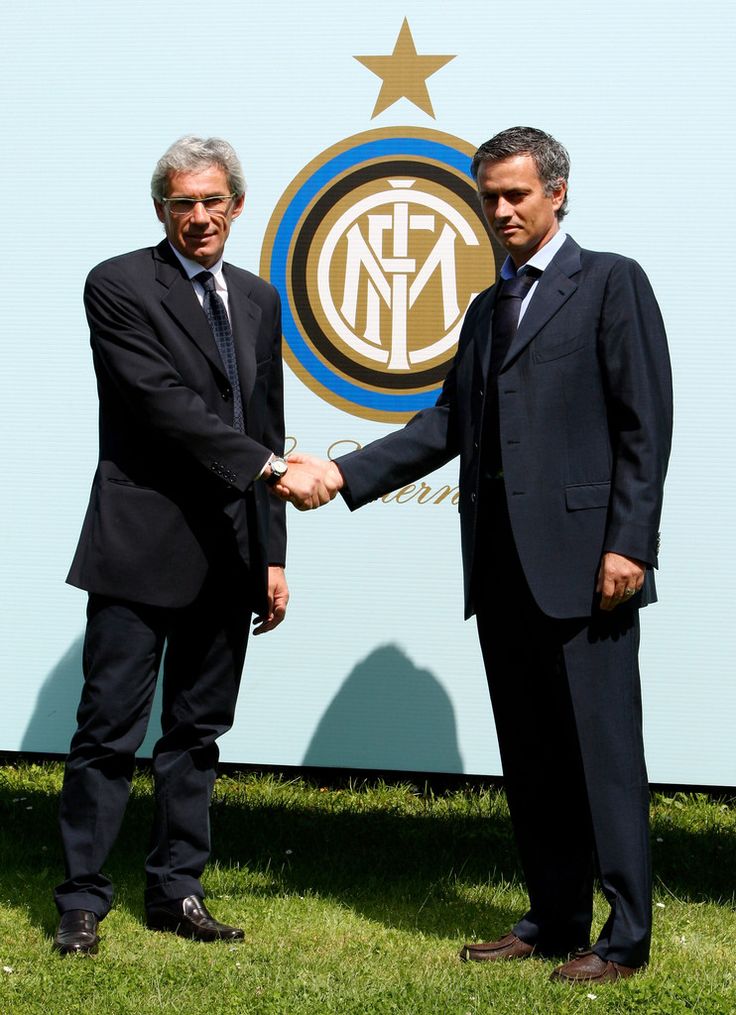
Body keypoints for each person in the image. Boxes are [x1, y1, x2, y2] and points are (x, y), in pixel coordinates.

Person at [274, 127, 672, 985]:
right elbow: (446, 425)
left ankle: (625, 937)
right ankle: (555, 916)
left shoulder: (612, 282)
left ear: (556, 192)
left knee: (603, 756)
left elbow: (645, 424)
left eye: (516, 194)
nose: (500, 210)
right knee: (532, 757)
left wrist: (629, 542)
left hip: (591, 569)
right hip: (501, 568)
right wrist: (340, 472)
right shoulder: (488, 307)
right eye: (489, 196)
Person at [54, 136, 292, 955]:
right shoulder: (118, 284)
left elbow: (268, 424)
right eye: (183, 202)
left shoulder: (258, 299)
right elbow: (159, 402)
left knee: (196, 734)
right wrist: (269, 467)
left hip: (230, 551)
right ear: (161, 209)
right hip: (139, 544)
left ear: (237, 205)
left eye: (212, 201)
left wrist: (273, 553)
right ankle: (81, 898)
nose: (199, 217)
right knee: (107, 732)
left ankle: (177, 889)